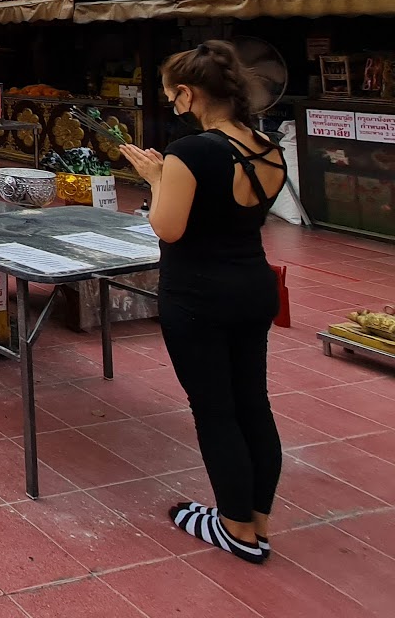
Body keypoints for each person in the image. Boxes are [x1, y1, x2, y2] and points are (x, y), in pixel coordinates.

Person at [121, 40, 287, 567]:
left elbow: (168, 227)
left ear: (190, 95)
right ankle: (256, 519)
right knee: (252, 405)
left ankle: (235, 527)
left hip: (198, 296)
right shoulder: (267, 147)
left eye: (173, 98)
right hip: (253, 287)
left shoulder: (192, 151)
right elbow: (229, 212)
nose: (174, 106)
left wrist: (155, 180)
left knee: (215, 412)